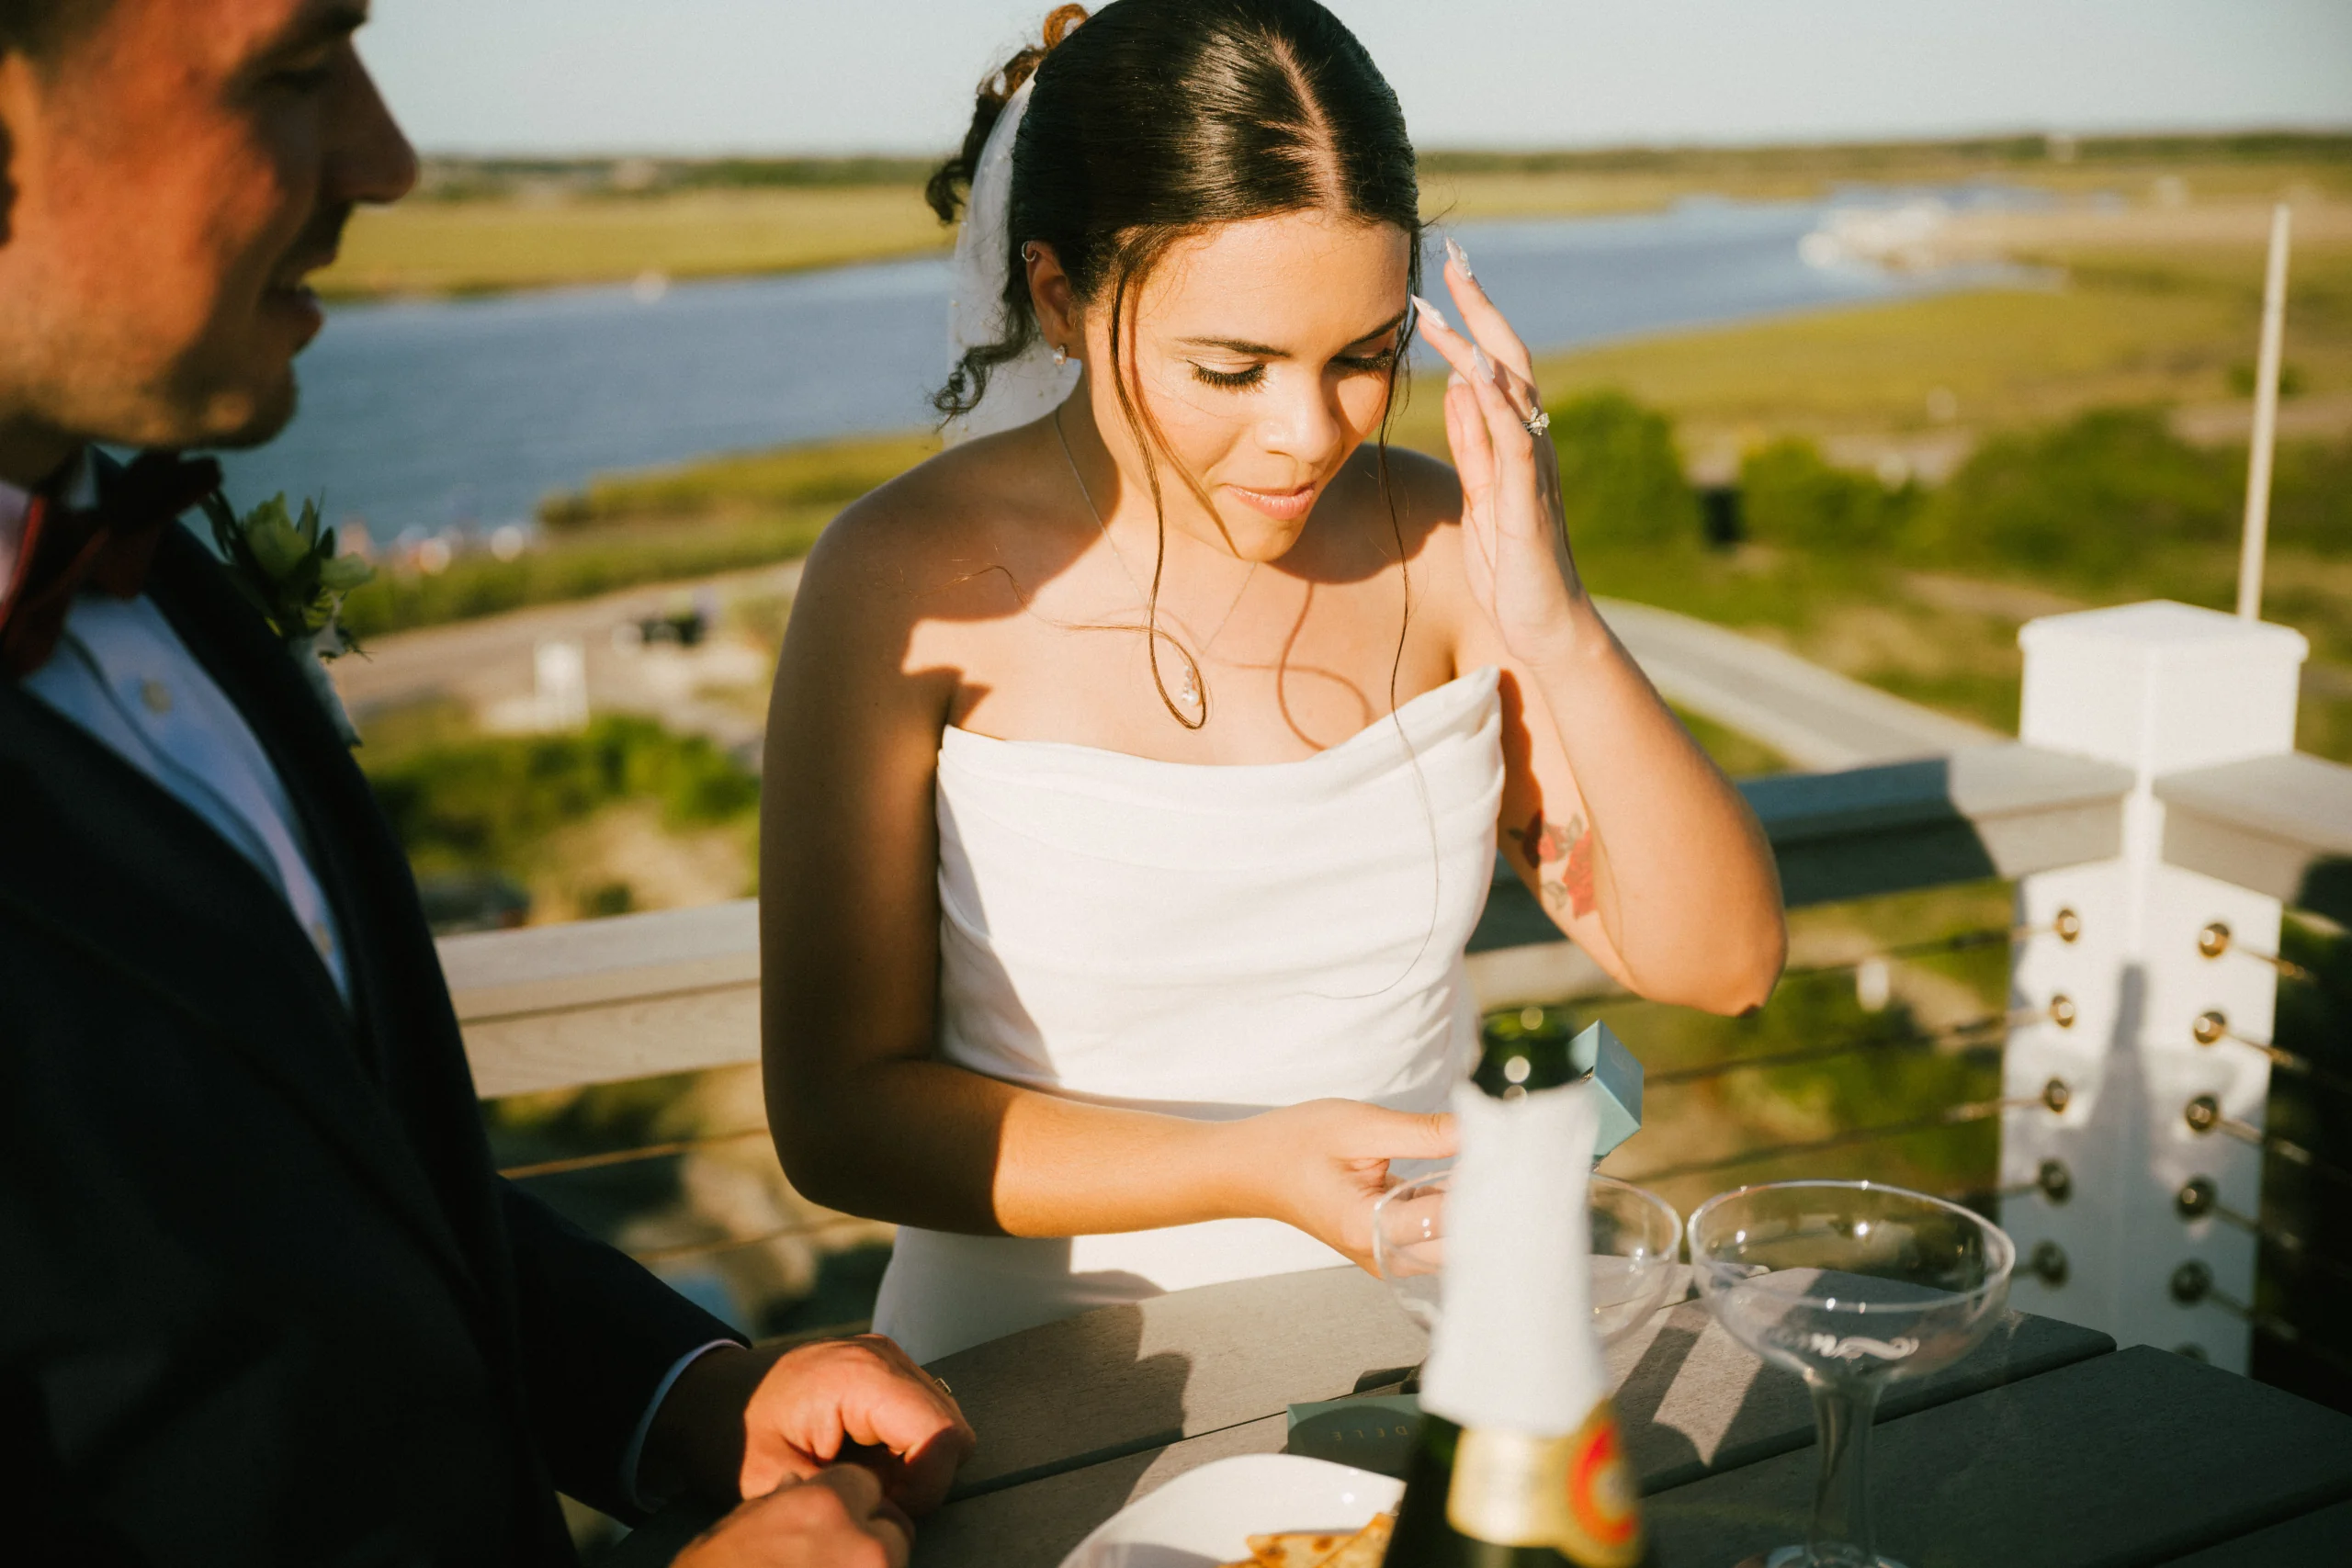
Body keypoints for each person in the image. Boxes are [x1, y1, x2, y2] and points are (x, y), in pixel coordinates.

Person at [0, 3, 971, 1562]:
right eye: (298, 72)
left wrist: (685, 1393)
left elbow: (332, 1205)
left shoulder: (159, 587)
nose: (387, 158)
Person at [759, 0, 1787, 1364]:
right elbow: (838, 1118)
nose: (1306, 436)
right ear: (1059, 296)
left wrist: (1554, 615)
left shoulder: (1445, 544)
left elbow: (1721, 963)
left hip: (1429, 1335)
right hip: (1031, 1371)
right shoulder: (897, 575)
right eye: (1230, 368)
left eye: (1366, 359)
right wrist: (1250, 1168)